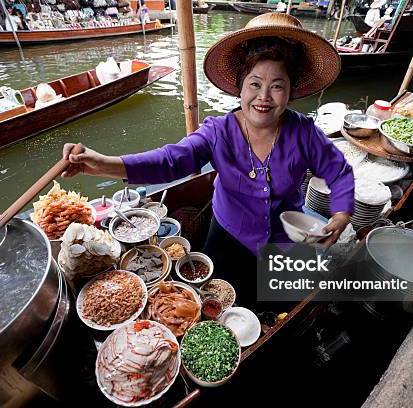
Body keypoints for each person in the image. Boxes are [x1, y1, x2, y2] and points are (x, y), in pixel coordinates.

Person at [62, 13, 354, 306]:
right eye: (254, 84)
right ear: (240, 87)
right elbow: (170, 161)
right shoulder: (218, 131)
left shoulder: (303, 131)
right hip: (228, 235)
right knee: (219, 304)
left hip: (286, 240)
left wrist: (340, 216)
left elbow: (339, 173)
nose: (264, 96)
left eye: (277, 86)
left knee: (277, 307)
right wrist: (102, 163)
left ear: (290, 91)